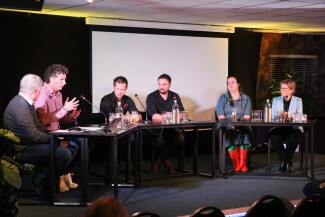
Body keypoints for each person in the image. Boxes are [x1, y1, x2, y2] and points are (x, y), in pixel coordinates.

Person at [3, 74, 75, 201]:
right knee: (64, 154)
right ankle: (47, 189)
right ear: (35, 91)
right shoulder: (21, 106)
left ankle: (47, 185)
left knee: (68, 149)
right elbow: (33, 134)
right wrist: (56, 141)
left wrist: (54, 136)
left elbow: (38, 127)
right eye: (40, 91)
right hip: (22, 150)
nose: (41, 93)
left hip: (30, 144)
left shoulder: (26, 102)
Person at [34, 64, 80, 192]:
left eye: (65, 79)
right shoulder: (41, 94)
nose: (65, 83)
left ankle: (65, 174)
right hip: (46, 134)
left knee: (85, 144)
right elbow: (42, 120)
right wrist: (65, 109)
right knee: (74, 146)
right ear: (51, 78)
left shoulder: (58, 94)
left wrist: (71, 116)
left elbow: (59, 118)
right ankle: (57, 178)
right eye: (62, 79)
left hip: (57, 132)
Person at [146, 73, 185, 174]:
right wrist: (171, 115)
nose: (161, 87)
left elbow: (181, 114)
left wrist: (167, 115)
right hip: (156, 128)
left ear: (170, 85)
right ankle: (168, 163)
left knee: (180, 138)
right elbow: (153, 116)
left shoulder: (175, 96)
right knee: (159, 141)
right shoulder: (151, 96)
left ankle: (159, 160)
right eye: (159, 84)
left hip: (171, 128)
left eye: (164, 84)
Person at [216, 76, 252, 172]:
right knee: (227, 132)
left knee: (244, 131)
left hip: (242, 124)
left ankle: (242, 162)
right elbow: (220, 115)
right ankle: (235, 162)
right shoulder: (222, 98)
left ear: (238, 84)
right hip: (226, 124)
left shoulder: (246, 98)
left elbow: (247, 115)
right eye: (228, 83)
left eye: (232, 82)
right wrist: (230, 124)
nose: (230, 84)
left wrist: (238, 124)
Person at [269, 79, 303, 173]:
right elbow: (272, 116)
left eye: (285, 88)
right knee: (273, 136)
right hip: (279, 127)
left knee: (293, 138)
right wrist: (279, 115)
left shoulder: (298, 100)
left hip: (293, 127)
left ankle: (284, 162)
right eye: (281, 88)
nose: (282, 90)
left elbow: (300, 116)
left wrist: (289, 115)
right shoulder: (276, 100)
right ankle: (286, 160)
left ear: (291, 90)